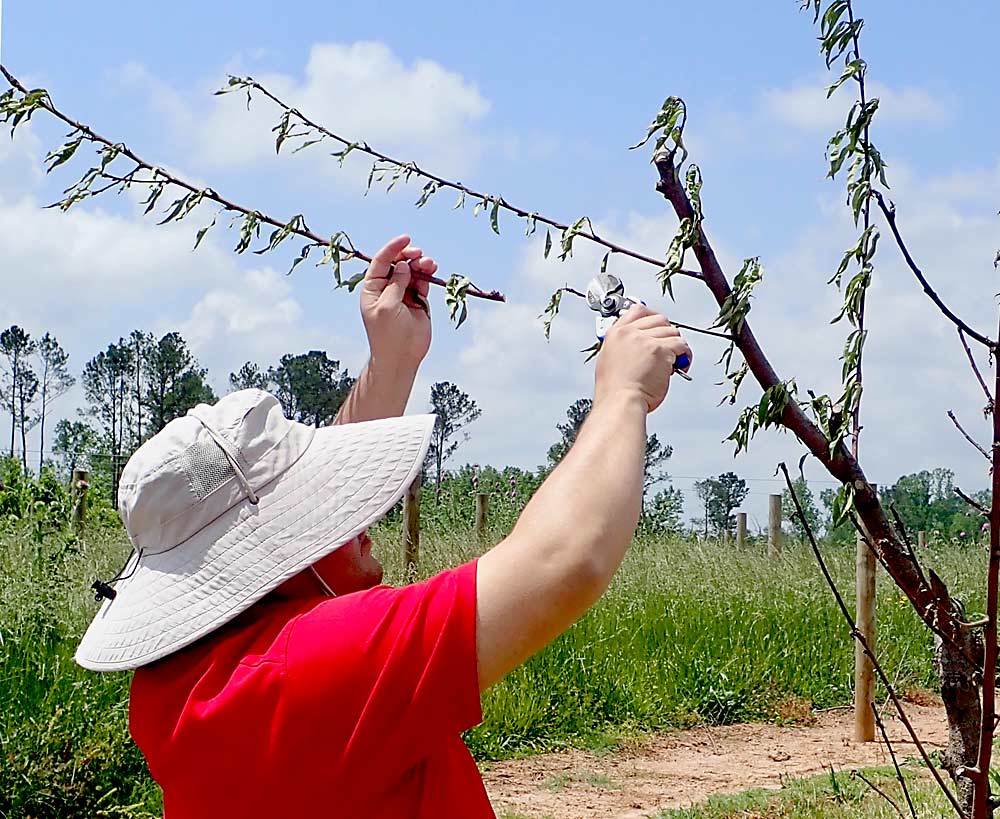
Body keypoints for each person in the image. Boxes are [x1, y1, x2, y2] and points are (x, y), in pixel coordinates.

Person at [75, 234, 692, 818]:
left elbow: (297, 558)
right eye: (316, 507)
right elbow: (564, 560)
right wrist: (624, 394)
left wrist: (390, 360)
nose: (364, 518)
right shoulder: (306, 672)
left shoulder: (181, 691)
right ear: (271, 558)